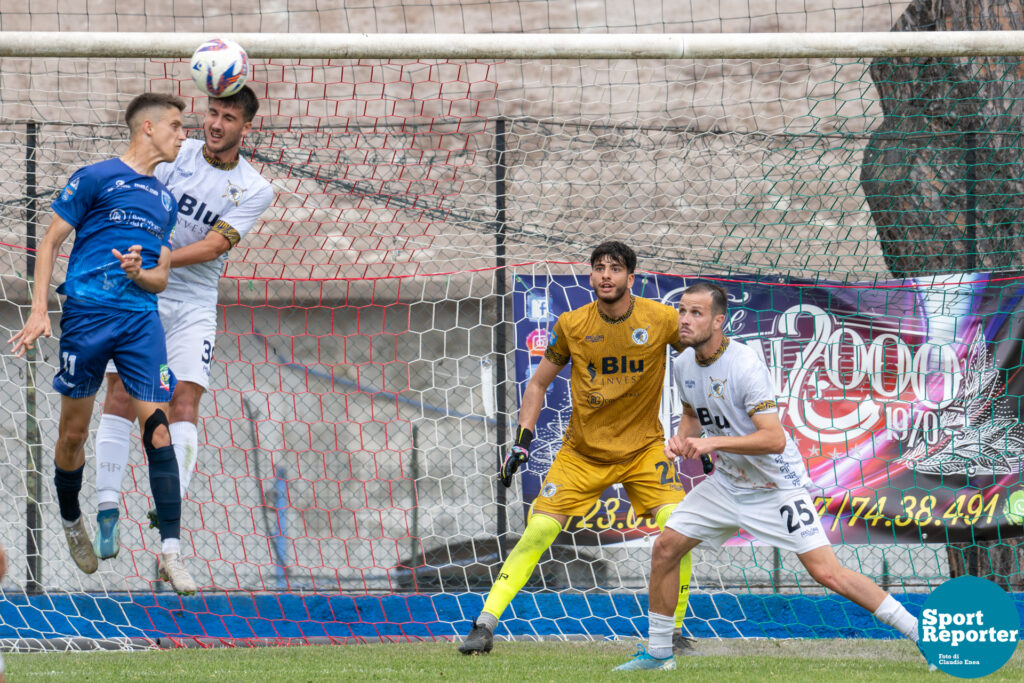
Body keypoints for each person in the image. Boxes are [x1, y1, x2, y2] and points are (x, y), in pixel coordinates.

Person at [615, 281, 921, 671]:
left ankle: (920, 633)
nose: (685, 320)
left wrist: (713, 445)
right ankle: (658, 655)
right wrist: (682, 441)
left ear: (719, 321)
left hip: (776, 487)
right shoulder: (682, 364)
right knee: (666, 547)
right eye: (682, 312)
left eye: (696, 313)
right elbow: (693, 415)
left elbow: (774, 440)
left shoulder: (744, 365)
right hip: (727, 485)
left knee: (828, 572)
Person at [459, 240, 695, 655]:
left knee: (679, 528)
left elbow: (698, 362)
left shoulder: (660, 318)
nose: (606, 275)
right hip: (582, 454)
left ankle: (672, 632)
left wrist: (699, 427)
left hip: (644, 451)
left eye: (615, 268)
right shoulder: (571, 324)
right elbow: (537, 382)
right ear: (591, 275)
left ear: (630, 278)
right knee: (540, 530)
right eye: (599, 267)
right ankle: (484, 625)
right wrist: (522, 442)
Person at [9, 93, 196, 595]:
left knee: (159, 429)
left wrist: (142, 272)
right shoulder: (94, 177)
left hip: (140, 321)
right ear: (148, 127)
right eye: (177, 126)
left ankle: (172, 552)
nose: (184, 135)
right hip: (87, 317)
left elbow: (158, 278)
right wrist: (39, 309)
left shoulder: (164, 201)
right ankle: (72, 519)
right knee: (73, 434)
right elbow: (49, 242)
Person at [91, 85, 274, 559]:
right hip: (140, 288)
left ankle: (168, 507)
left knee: (184, 398)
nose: (215, 124)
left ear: (245, 127)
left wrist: (162, 257)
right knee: (120, 393)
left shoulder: (256, 188)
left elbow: (215, 246)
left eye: (228, 118)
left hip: (192, 299)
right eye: (212, 113)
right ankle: (107, 505)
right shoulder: (177, 154)